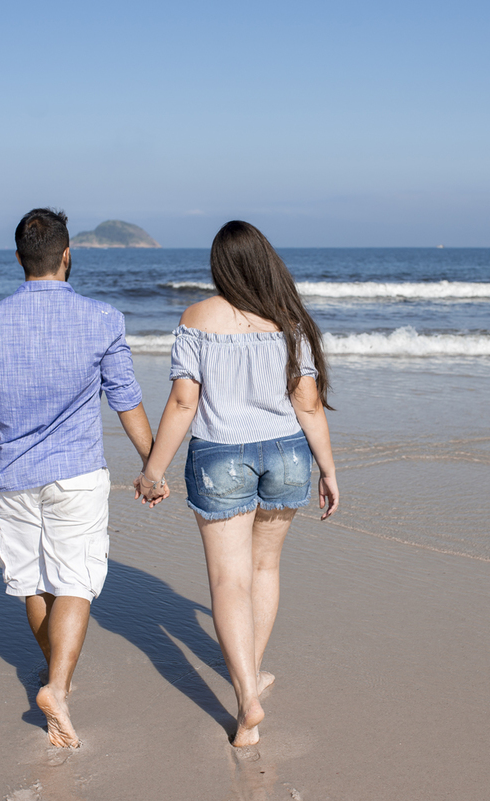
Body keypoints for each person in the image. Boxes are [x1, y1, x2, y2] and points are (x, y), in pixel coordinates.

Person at [0, 208, 155, 748]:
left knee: (35, 580)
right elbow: (125, 399)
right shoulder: (103, 318)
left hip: (13, 474)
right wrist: (151, 462)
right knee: (77, 581)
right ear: (67, 255)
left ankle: (56, 680)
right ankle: (57, 687)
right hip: (78, 472)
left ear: (19, 259)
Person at [134, 220, 339, 748]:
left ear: (220, 266)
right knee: (264, 566)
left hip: (219, 457)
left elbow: (184, 402)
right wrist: (329, 471)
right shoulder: (290, 321)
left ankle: (246, 694)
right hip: (288, 454)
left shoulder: (197, 318)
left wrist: (153, 469)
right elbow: (308, 405)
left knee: (229, 579)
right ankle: (254, 676)